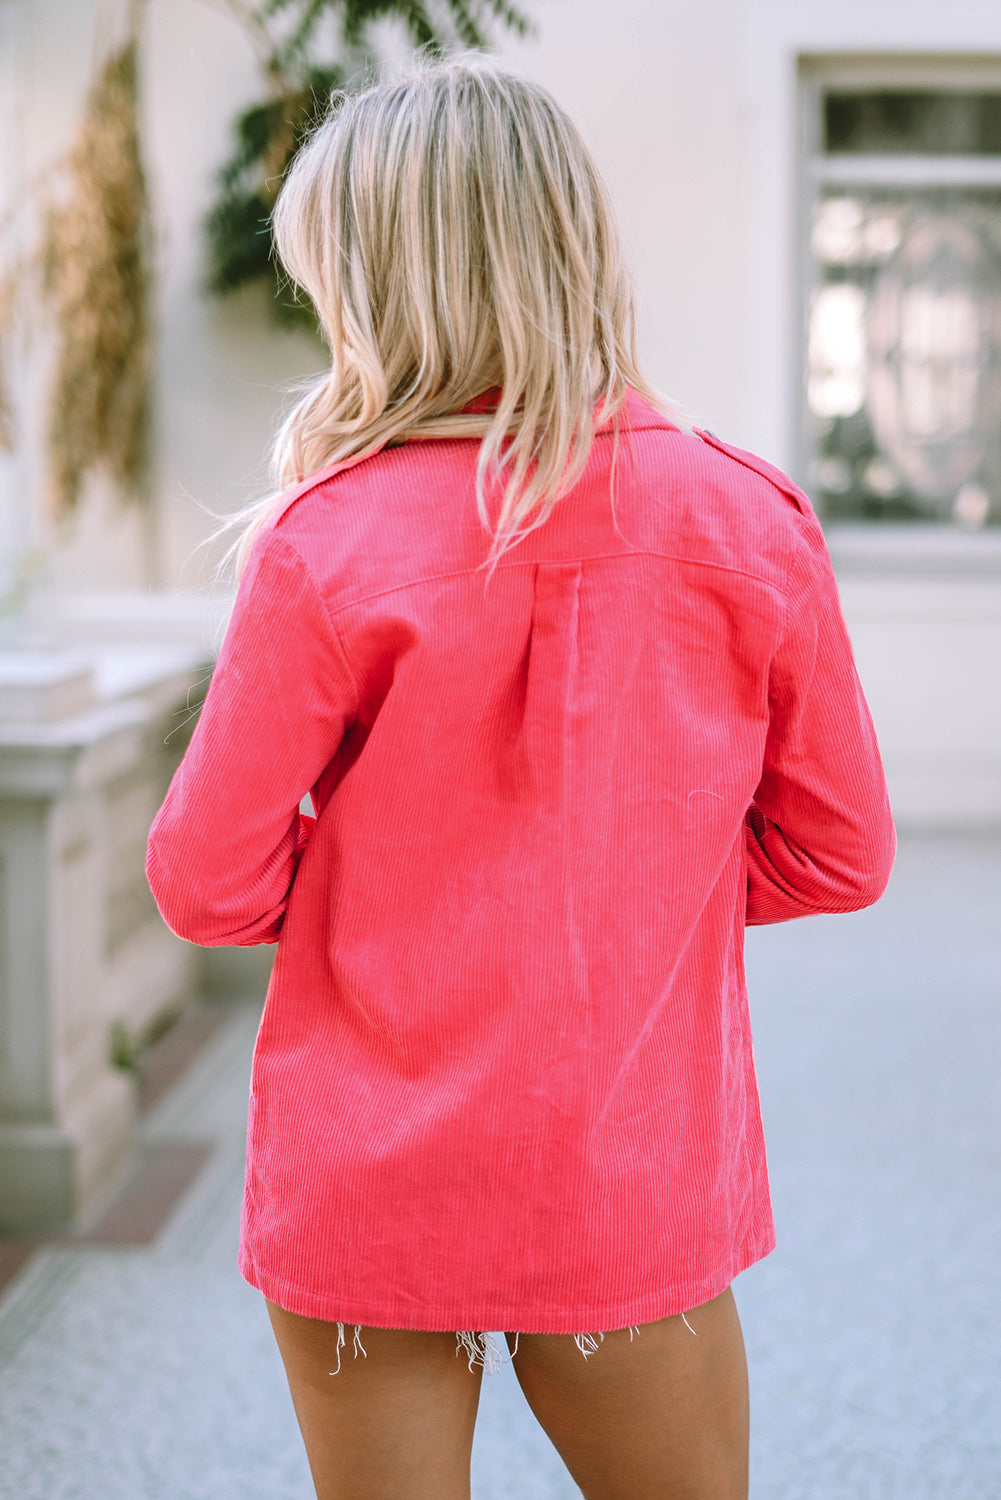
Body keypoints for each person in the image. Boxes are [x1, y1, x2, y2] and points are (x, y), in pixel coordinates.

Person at [146, 52, 896, 1500]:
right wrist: (626, 888)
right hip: (622, 1173)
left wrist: (395, 899)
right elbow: (840, 851)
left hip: (366, 1173)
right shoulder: (749, 522)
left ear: (382, 282)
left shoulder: (322, 544)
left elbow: (202, 881)